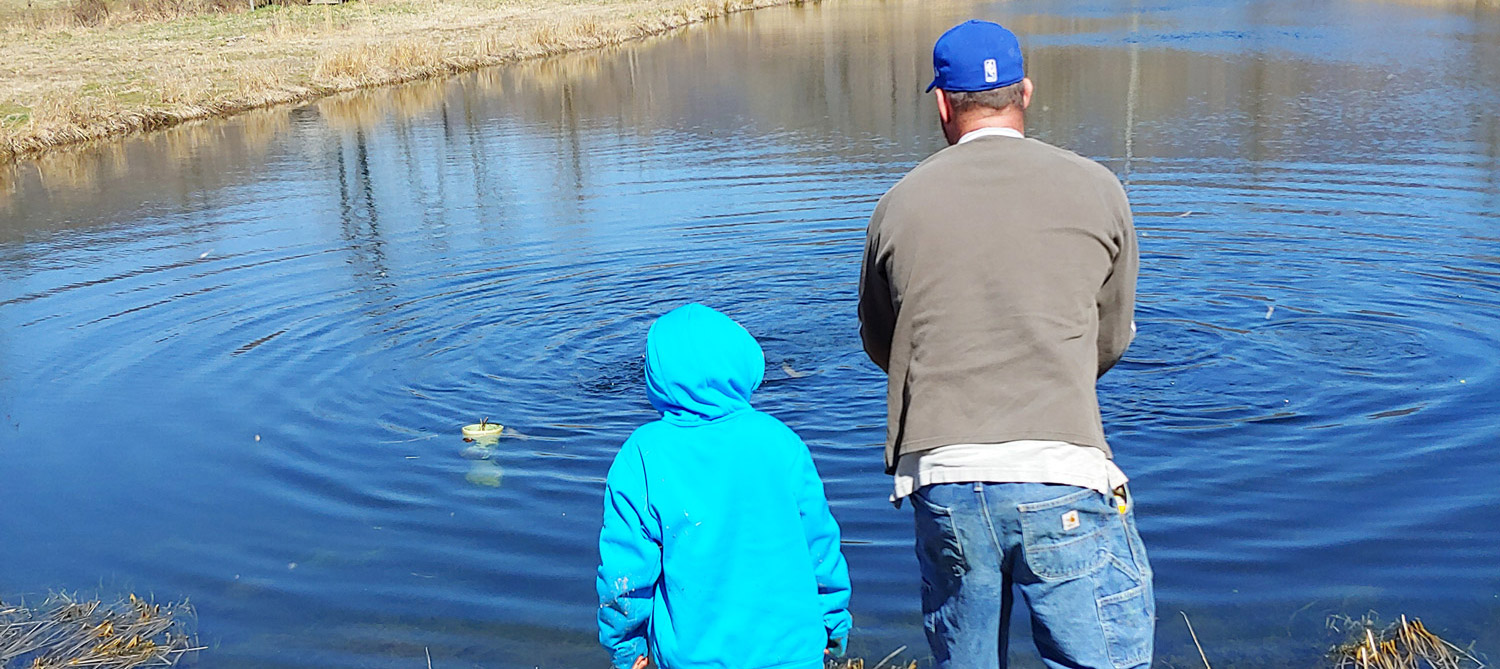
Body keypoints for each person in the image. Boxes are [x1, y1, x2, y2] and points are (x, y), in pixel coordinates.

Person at [857, 19, 1153, 669]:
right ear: (1026, 91)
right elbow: (1110, 337)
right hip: (1063, 469)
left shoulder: (897, 206)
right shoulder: (1099, 188)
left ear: (942, 104)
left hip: (944, 476)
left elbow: (885, 346)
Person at [596, 303, 853, 669]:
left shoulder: (641, 456)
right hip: (795, 653)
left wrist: (626, 648)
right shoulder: (781, 442)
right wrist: (833, 623)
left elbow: (624, 574)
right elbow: (821, 547)